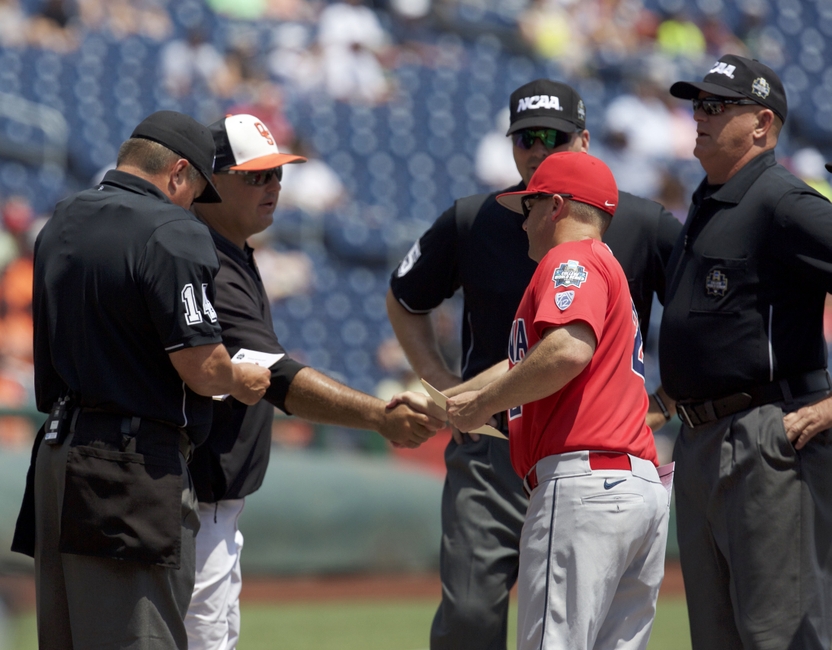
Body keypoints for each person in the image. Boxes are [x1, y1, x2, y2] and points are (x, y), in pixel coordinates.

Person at [386, 78, 681, 650]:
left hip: (578, 462)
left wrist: (666, 403)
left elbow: (569, 348)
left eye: (554, 136)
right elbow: (411, 300)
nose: (537, 148)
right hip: (508, 453)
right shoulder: (477, 220)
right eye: (525, 138)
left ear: (584, 141)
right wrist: (450, 390)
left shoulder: (611, 238)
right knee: (480, 620)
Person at [11, 110, 272, 650]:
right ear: (178, 173)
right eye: (196, 187)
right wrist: (237, 378)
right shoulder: (174, 230)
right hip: (129, 469)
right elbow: (202, 369)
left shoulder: (63, 218)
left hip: (58, 456)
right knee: (141, 638)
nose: (194, 202)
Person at [186, 113, 445, 650]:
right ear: (209, 181)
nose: (274, 186)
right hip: (195, 503)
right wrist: (377, 416)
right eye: (256, 176)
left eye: (277, 175)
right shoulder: (204, 257)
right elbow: (278, 376)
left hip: (212, 502)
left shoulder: (230, 251)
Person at [445, 151, 670, 650]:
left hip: (585, 487)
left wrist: (483, 407)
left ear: (556, 206)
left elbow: (567, 350)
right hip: (635, 489)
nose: (522, 223)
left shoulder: (570, 259)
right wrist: (459, 397)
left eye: (528, 207)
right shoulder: (607, 265)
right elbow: (546, 355)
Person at [661, 54, 832, 649]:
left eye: (716, 105)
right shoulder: (709, 200)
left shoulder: (783, 201)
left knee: (779, 634)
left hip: (765, 437)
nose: (698, 115)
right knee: (718, 637)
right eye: (696, 104)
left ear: (762, 124)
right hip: (703, 438)